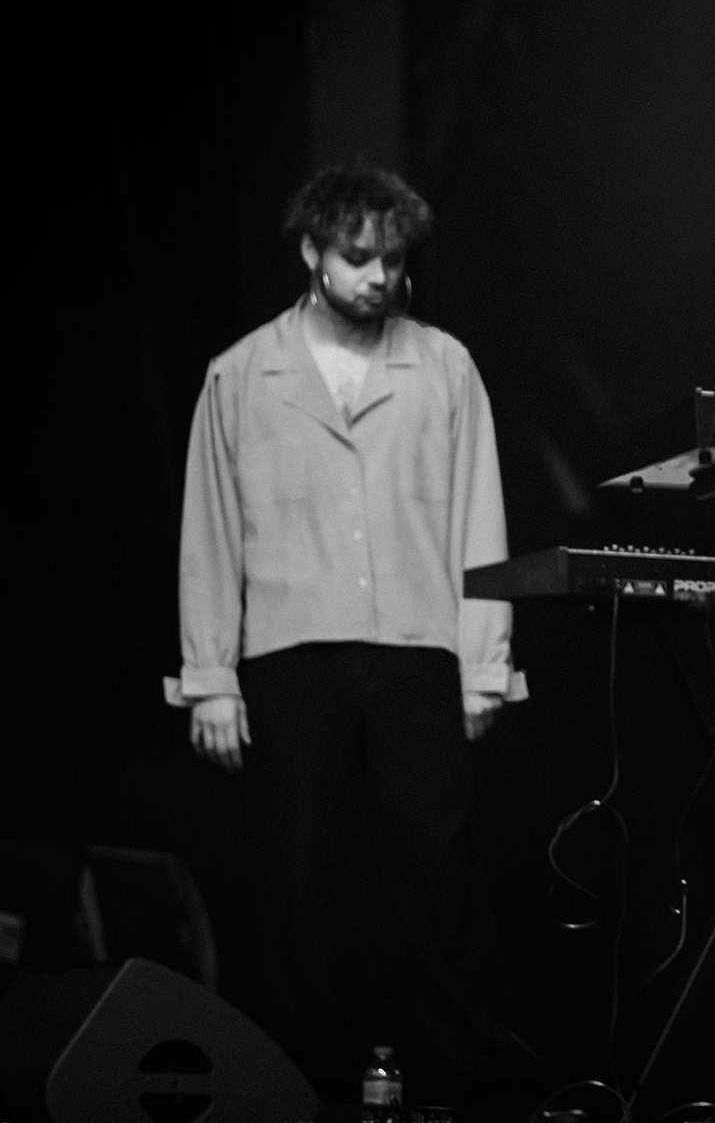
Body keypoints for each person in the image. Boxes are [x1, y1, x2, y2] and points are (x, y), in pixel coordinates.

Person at [168, 164, 536, 1111]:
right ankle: (301, 1085)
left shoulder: (444, 365)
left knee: (440, 880)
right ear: (312, 252)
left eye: (393, 260)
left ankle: (478, 1083)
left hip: (418, 655)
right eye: (357, 257)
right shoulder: (243, 374)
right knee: (299, 885)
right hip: (290, 659)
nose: (378, 277)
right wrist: (210, 677)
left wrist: (483, 667)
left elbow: (478, 520)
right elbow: (209, 530)